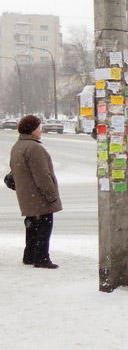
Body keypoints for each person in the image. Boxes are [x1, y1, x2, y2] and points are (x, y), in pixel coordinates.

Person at [9, 114, 62, 268]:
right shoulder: (34, 148)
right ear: (32, 130)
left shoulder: (17, 146)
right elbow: (42, 176)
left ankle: (30, 255)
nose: (40, 130)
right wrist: (52, 196)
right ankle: (41, 258)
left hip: (26, 195)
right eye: (38, 127)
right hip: (39, 196)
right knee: (44, 228)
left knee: (32, 227)